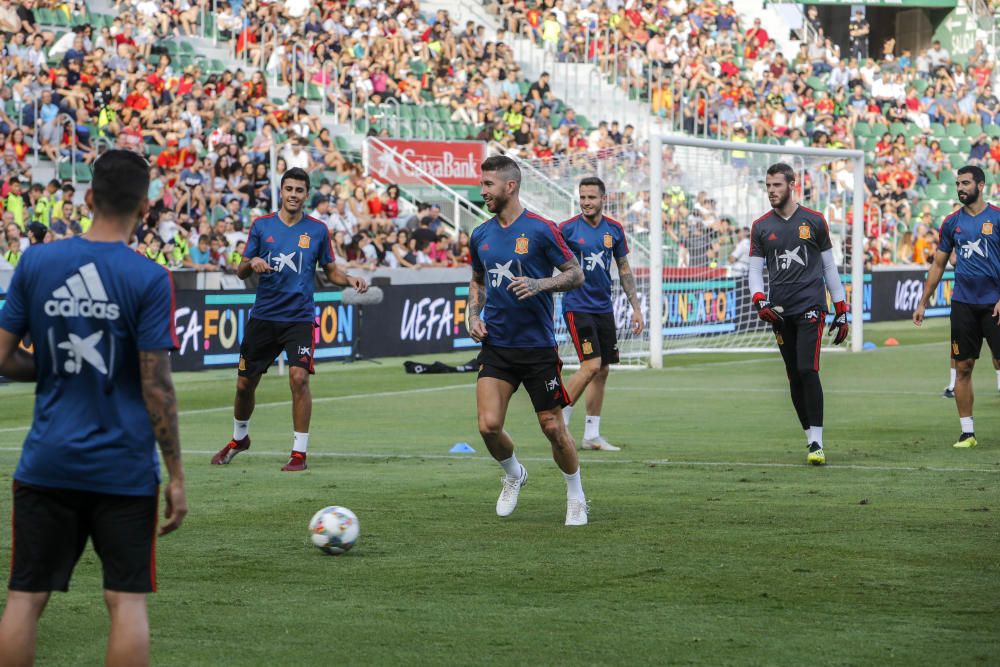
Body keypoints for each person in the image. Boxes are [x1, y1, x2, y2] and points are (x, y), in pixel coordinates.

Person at [0, 149, 186, 666]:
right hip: (124, 469)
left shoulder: (36, 261)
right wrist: (176, 474)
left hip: (47, 461)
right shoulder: (150, 278)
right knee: (125, 602)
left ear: (87, 197)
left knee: (25, 598)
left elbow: (3, 356)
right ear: (146, 207)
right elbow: (157, 386)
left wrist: (58, 365)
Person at [211, 167, 369, 472]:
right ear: (280, 192)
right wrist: (252, 262)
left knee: (299, 378)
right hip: (264, 317)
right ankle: (239, 438)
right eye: (289, 189)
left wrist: (348, 279)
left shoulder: (318, 230)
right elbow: (241, 268)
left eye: (299, 190)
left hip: (298, 318)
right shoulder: (261, 226)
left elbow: (330, 270)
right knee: (244, 386)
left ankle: (299, 453)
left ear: (306, 195)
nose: (294, 195)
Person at [467, 155, 588, 526]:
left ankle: (575, 495)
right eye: (482, 183)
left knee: (553, 427)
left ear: (510, 186)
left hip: (537, 348)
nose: (482, 190)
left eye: (488, 184)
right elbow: (478, 280)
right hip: (498, 346)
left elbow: (575, 274)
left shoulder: (541, 229)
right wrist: (473, 314)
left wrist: (541, 283)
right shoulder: (481, 234)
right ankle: (514, 474)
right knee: (488, 426)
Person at [748, 163, 849, 466]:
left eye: (776, 185)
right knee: (793, 375)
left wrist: (841, 309)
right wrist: (759, 300)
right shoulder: (761, 226)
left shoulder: (814, 221)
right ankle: (809, 437)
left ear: (792, 185)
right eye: (767, 186)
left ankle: (818, 440)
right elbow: (754, 269)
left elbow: (829, 267)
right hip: (779, 311)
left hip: (811, 306)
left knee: (807, 369)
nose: (771, 191)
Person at [914, 165, 1000, 448]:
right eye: (958, 183)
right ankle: (967, 433)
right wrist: (924, 301)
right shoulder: (952, 223)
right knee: (963, 366)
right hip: (963, 303)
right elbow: (939, 263)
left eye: (965, 183)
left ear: (980, 185)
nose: (960, 188)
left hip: (995, 303)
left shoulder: (997, 218)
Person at [558, 176, 644, 452]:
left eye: (591, 197)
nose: (586, 202)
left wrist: (636, 307)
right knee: (591, 365)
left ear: (603, 199)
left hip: (603, 307)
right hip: (577, 306)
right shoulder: (567, 229)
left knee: (602, 370)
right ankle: (558, 419)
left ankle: (591, 434)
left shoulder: (614, 230)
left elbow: (624, 269)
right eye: (582, 197)